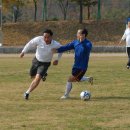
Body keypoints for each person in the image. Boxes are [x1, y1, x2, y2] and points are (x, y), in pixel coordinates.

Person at [20, 29, 62, 100]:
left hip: (45, 63)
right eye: (44, 37)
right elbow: (30, 44)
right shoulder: (38, 39)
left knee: (37, 78)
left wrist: (57, 59)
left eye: (48, 37)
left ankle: (27, 93)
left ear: (51, 37)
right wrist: (23, 51)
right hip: (36, 60)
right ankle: (43, 74)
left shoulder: (56, 44)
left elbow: (61, 50)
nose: (46, 39)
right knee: (32, 76)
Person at [52, 28, 93, 99]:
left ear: (83, 35)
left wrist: (82, 42)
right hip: (75, 66)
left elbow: (87, 49)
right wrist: (57, 50)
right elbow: (66, 47)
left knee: (70, 79)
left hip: (82, 67)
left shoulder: (88, 43)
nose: (77, 34)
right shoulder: (75, 42)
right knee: (76, 79)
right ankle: (88, 79)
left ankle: (66, 95)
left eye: (78, 33)